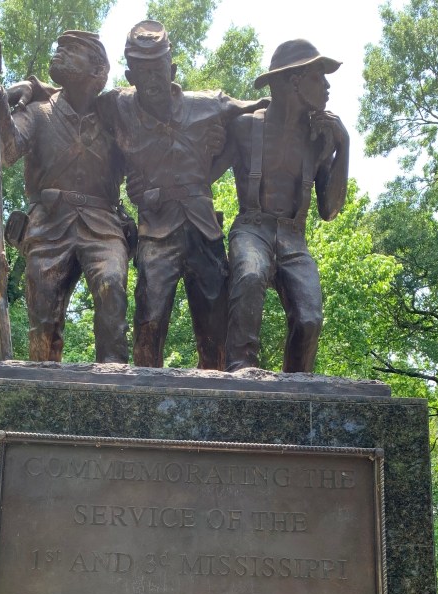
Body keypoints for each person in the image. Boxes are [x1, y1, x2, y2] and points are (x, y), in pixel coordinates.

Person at [97, 21, 264, 369]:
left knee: (214, 327)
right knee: (150, 320)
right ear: (130, 76)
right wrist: (29, 86)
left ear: (172, 70)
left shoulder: (208, 104)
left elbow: (260, 107)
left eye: (158, 70)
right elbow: (71, 95)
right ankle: (143, 399)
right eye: (143, 73)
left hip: (204, 230)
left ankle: (217, 400)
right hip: (156, 232)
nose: (153, 80)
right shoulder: (116, 105)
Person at [0, 30, 129, 363]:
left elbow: (147, 152)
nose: (58, 53)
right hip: (48, 226)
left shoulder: (114, 117)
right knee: (43, 312)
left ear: (98, 71)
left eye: (71, 50)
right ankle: (41, 386)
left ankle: (115, 384)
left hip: (104, 225)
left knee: (112, 286)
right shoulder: (38, 112)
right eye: (59, 47)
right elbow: (7, 151)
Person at [224, 40, 349, 373]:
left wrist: (343, 146)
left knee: (309, 319)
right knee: (250, 276)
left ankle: (297, 386)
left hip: (294, 237)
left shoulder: (317, 137)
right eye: (318, 77)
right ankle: (240, 367)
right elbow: (203, 172)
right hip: (252, 228)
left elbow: (329, 210)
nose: (327, 86)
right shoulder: (245, 126)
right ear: (295, 81)